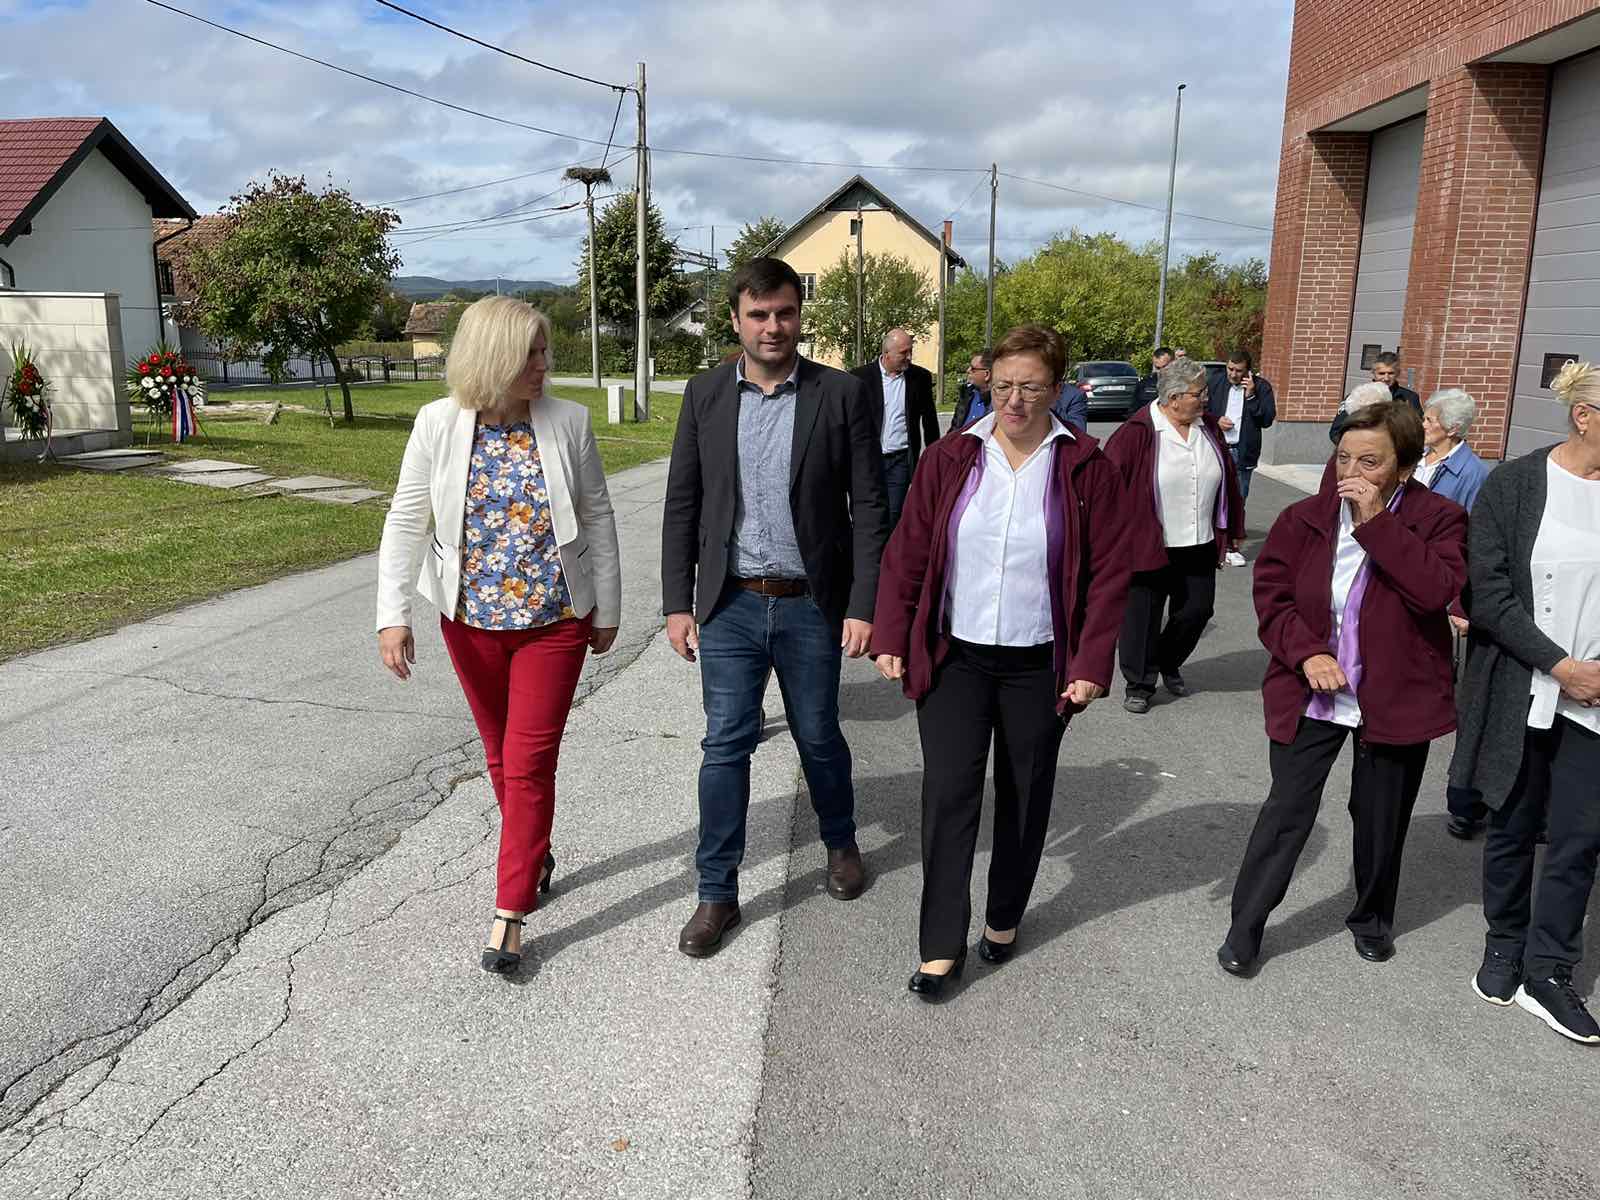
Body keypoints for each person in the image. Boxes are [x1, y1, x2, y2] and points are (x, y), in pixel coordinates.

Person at [870, 325, 1131, 1001]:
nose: (1014, 401)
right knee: (948, 795)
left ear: (1057, 389)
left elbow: (1109, 575)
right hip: (955, 657)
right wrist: (892, 632)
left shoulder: (1086, 466)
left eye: (1031, 388)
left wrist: (1092, 662)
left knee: (1025, 794)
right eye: (1004, 385)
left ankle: (1005, 914)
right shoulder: (952, 456)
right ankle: (939, 946)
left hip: (1039, 662)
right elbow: (909, 549)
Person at [375, 296, 622, 975]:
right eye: (530, 354)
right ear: (493, 359)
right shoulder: (438, 423)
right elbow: (406, 519)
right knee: (498, 753)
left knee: (530, 760)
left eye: (544, 351)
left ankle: (509, 911)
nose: (545, 365)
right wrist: (393, 614)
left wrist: (607, 608)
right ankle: (533, 852)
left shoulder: (568, 422)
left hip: (554, 622)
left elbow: (598, 515)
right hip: (469, 622)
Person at [661, 257, 890, 958]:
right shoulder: (704, 393)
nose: (772, 326)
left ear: (799, 316)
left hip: (810, 604)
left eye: (784, 312)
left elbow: (869, 505)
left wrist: (863, 603)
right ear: (735, 319)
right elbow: (683, 502)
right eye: (758, 314)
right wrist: (676, 602)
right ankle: (717, 892)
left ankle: (841, 842)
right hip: (730, 603)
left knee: (818, 734)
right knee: (724, 744)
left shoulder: (839, 394)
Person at [1219, 402, 1466, 976]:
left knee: (1380, 817)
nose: (1350, 471)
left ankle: (1372, 919)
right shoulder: (1305, 518)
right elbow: (1272, 598)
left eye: (1370, 462)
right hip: (1312, 692)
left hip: (1394, 696)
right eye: (1343, 457)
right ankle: (1245, 925)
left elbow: (1435, 591)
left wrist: (1377, 520)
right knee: (1287, 809)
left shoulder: (1440, 518)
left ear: (1405, 468)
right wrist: (1307, 652)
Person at [1448, 360, 1600, 1044]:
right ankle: (1505, 942)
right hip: (1524, 685)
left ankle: (1549, 970)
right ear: (1584, 416)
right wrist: (1561, 666)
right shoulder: (1513, 484)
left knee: (1580, 838)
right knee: (1512, 823)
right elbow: (1489, 593)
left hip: (1595, 698)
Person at [1104, 357, 1244, 714]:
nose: (1206, 399)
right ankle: (1139, 684)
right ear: (1174, 398)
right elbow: (1108, 490)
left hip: (1199, 541)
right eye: (1199, 394)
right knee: (1142, 618)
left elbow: (1228, 480)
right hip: (1149, 541)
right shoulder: (1137, 433)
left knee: (1197, 610)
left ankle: (1166, 660)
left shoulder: (1208, 428)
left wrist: (1233, 527)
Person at [1409, 388, 1494, 839]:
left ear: (1452, 429)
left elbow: (1476, 544)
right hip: (1406, 575)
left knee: (1456, 694)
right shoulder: (1419, 460)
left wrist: (1462, 603)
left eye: (1429, 420)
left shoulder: (1473, 474)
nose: (1422, 425)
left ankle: (1465, 800)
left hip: (1443, 587)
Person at [852, 328, 939, 528]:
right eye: (903, 352)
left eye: (910, 351)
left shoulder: (920, 378)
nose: (909, 357)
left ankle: (889, 548)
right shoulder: (859, 378)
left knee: (893, 515)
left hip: (900, 460)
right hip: (868, 460)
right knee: (865, 513)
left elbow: (930, 421)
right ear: (886, 354)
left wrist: (934, 458)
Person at [1205, 349, 1276, 520]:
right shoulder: (1216, 382)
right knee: (1211, 496)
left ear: (1248, 371)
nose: (1233, 374)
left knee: (1238, 499)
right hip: (1217, 448)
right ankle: (1215, 532)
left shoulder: (1262, 387)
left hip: (1243, 452)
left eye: (1238, 371)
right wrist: (1216, 420)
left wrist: (1251, 397)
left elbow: (1266, 420)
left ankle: (1234, 534)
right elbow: (1202, 411)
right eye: (1230, 369)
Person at [1329, 353, 1421, 442]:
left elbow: (1419, 429)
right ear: (1373, 373)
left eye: (1391, 373)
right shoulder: (1357, 396)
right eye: (1381, 373)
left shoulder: (1410, 398)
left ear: (1398, 373)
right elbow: (1336, 432)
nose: (1386, 378)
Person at [951, 350, 993, 430]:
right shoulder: (966, 395)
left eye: (973, 369)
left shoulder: (997, 402)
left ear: (987, 374)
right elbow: (954, 428)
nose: (968, 370)